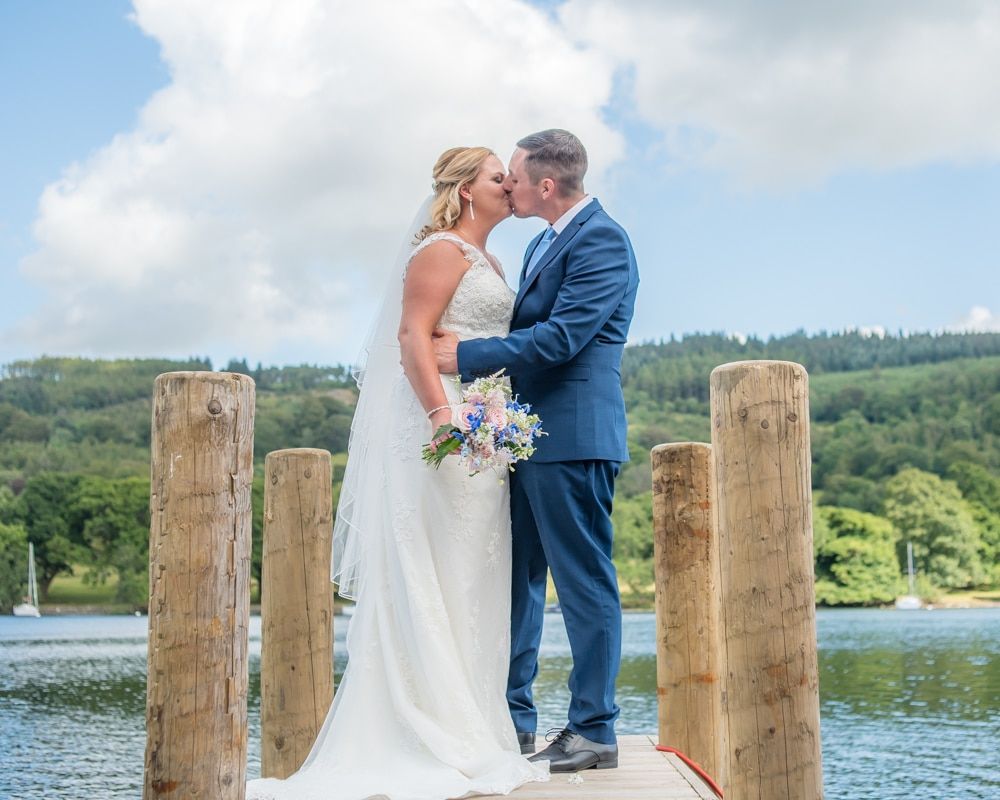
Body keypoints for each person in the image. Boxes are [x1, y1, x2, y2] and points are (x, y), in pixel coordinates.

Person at [246, 146, 549, 800]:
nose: (511, 184)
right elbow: (413, 337)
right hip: (441, 429)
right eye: (499, 176)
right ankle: (428, 727)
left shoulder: (493, 260)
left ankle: (475, 725)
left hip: (484, 437)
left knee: (476, 576)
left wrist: (489, 417)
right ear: (467, 189)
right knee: (434, 571)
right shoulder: (440, 250)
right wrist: (443, 416)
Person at [433, 129, 639, 773]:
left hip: (574, 436)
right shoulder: (545, 244)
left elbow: (561, 339)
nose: (508, 187)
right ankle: (513, 719)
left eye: (514, 177)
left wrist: (463, 355)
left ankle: (594, 730)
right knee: (518, 582)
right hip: (523, 437)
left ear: (545, 185)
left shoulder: (601, 239)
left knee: (583, 583)